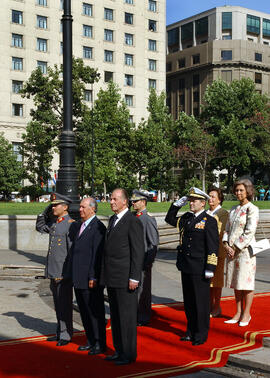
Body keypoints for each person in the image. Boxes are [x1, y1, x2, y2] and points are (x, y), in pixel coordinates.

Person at [165, 187, 219, 346]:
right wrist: (176, 205)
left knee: (200, 303)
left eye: (194, 200)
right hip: (186, 265)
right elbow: (170, 219)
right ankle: (190, 331)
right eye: (190, 200)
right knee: (189, 302)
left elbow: (213, 246)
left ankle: (201, 333)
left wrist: (211, 267)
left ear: (203, 203)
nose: (191, 202)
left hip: (200, 267)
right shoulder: (187, 218)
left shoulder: (209, 221)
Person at [101, 188, 144, 365]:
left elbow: (138, 251)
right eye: (110, 199)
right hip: (113, 278)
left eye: (114, 199)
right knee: (116, 318)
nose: (111, 201)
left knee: (126, 318)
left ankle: (128, 354)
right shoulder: (113, 220)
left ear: (125, 201)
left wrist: (134, 277)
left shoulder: (132, 221)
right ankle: (119, 350)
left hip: (126, 278)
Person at [36, 193, 74, 346]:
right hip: (53, 271)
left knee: (64, 304)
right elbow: (39, 227)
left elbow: (71, 252)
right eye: (52, 205)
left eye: (55, 205)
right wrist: (43, 213)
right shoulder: (56, 223)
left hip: (62, 273)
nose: (53, 207)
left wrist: (65, 273)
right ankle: (60, 331)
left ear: (65, 207)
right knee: (58, 304)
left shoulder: (70, 224)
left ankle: (66, 334)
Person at [70, 197, 106, 355]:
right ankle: (90, 339)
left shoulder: (98, 227)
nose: (80, 210)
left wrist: (93, 276)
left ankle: (99, 342)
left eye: (83, 207)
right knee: (84, 311)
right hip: (79, 276)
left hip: (90, 278)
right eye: (80, 207)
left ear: (93, 208)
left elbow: (97, 255)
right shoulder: (80, 225)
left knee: (95, 312)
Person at [223, 179, 259, 327]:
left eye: (241, 190)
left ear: (248, 191)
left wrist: (235, 248)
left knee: (246, 283)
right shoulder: (233, 209)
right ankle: (237, 312)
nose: (238, 193)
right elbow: (227, 228)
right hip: (231, 252)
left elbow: (250, 231)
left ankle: (246, 313)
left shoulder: (252, 209)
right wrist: (226, 244)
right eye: (236, 190)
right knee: (236, 283)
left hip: (245, 253)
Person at [131, 189, 159, 326]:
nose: (133, 203)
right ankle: (134, 313)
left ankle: (143, 315)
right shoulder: (134, 216)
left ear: (143, 202)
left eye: (135, 201)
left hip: (143, 261)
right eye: (132, 201)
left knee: (143, 290)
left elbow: (153, 242)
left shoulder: (147, 218)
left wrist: (148, 262)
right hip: (132, 261)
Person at [207, 187, 228, 317]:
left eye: (213, 196)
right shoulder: (206, 212)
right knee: (208, 281)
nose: (210, 198)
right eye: (209, 196)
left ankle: (216, 306)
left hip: (217, 252)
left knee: (217, 282)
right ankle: (208, 305)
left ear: (219, 199)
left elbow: (221, 231)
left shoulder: (223, 213)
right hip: (205, 252)